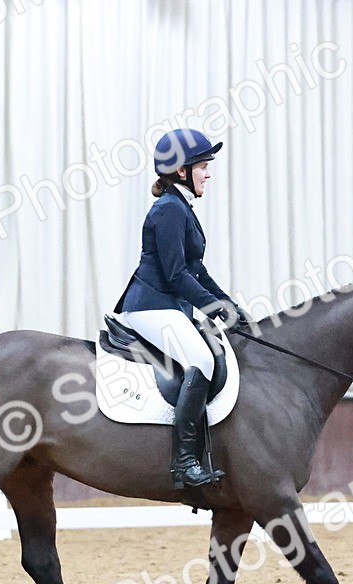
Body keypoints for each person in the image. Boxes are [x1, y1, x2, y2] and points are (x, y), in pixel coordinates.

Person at [113, 128, 250, 489]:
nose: (208, 174)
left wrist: (229, 306)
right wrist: (214, 309)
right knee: (201, 360)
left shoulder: (180, 207)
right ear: (182, 171)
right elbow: (176, 275)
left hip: (169, 306)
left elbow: (196, 270)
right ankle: (185, 462)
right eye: (203, 166)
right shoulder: (169, 210)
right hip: (151, 306)